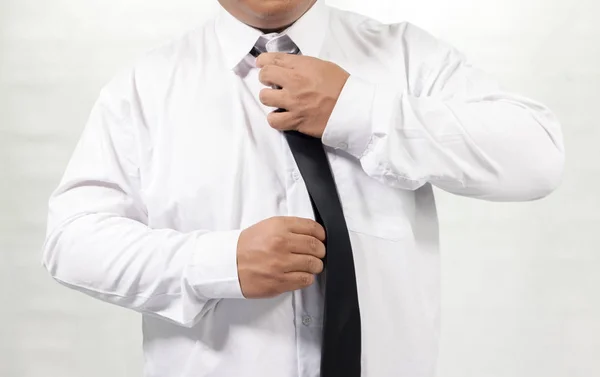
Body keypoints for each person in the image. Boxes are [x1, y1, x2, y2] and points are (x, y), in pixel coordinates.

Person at [41, 0, 564, 376]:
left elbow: (537, 156)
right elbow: (71, 241)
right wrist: (218, 262)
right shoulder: (144, 88)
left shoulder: (408, 57)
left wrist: (357, 110)